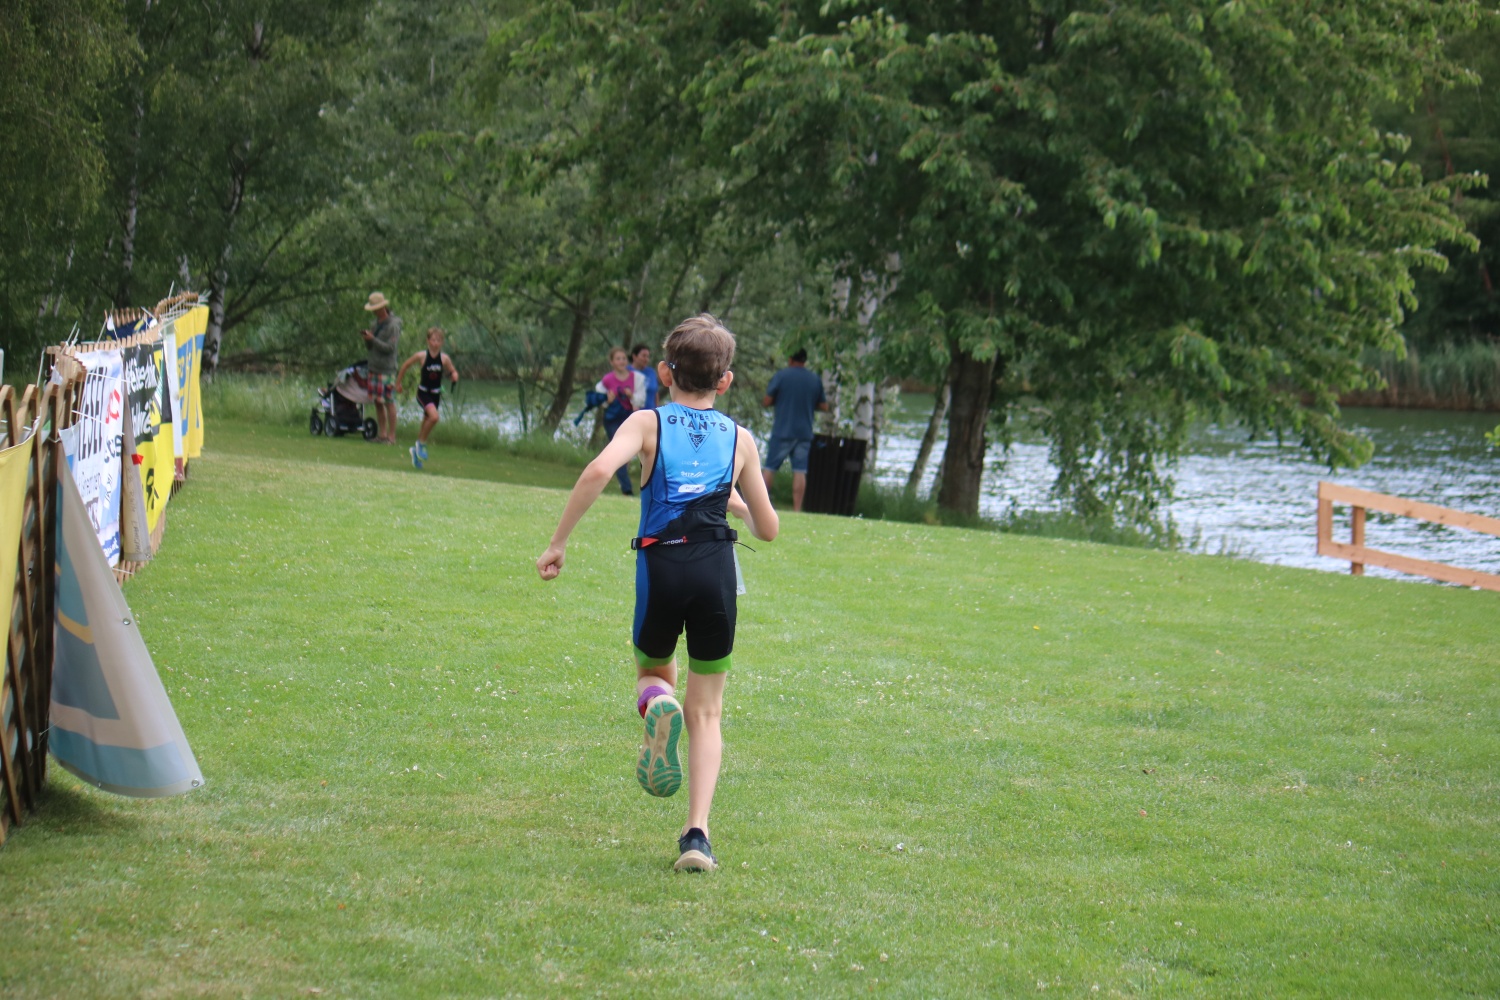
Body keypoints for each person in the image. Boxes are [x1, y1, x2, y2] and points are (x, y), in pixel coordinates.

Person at [536, 314, 779, 872]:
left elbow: (598, 471)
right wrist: (737, 503)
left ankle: (656, 702)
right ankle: (697, 836)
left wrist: (558, 543)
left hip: (662, 567)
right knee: (708, 711)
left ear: (665, 373)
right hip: (717, 574)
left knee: (653, 672)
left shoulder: (648, 422)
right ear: (725, 381)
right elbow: (767, 530)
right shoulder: (740, 439)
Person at [762, 348, 829, 512]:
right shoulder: (814, 379)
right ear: (805, 360)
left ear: (790, 359)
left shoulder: (781, 376)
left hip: (782, 430)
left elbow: (767, 401)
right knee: (800, 471)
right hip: (804, 432)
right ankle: (797, 509)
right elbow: (824, 406)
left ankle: (761, 504)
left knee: (770, 468)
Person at [395, 326, 460, 470]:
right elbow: (405, 365)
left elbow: (452, 371)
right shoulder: (422, 356)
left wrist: (454, 375)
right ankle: (421, 444)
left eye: (438, 340)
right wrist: (398, 384)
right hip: (423, 392)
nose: (435, 343)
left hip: (436, 394)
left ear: (442, 342)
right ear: (428, 340)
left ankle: (415, 452)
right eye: (433, 340)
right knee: (434, 417)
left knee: (427, 420)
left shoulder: (444, 358)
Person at [360, 291, 402, 444]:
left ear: (383, 307)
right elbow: (370, 347)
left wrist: (373, 339)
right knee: (377, 402)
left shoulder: (393, 325)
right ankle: (382, 434)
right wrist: (367, 339)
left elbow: (390, 348)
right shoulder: (374, 324)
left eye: (376, 309)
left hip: (387, 369)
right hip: (374, 367)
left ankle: (391, 436)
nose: (374, 312)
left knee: (388, 401)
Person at [598, 347, 637, 495]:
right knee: (619, 450)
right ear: (612, 362)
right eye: (618, 359)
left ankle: (606, 471)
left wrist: (632, 396)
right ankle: (627, 489)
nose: (621, 361)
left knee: (627, 453)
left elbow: (640, 400)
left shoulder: (635, 378)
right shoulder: (607, 380)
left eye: (624, 358)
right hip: (612, 417)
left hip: (629, 417)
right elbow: (599, 400)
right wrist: (607, 400)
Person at [629, 343, 660, 411]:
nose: (646, 359)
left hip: (650, 412)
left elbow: (655, 394)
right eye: (643, 356)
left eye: (648, 357)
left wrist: (658, 410)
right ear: (634, 356)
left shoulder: (651, 372)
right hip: (631, 413)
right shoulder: (627, 372)